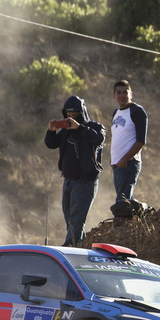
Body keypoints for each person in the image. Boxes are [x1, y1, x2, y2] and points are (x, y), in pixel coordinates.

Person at [44, 95, 105, 246]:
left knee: (77, 219)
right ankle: (79, 245)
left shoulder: (94, 127)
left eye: (75, 114)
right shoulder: (65, 131)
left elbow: (99, 139)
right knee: (70, 219)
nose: (71, 118)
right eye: (68, 115)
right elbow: (51, 144)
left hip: (85, 181)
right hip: (68, 180)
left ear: (82, 112)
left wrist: (80, 128)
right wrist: (51, 131)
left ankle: (69, 247)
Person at [110, 80, 148, 216]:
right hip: (117, 165)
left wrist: (125, 159)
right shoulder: (116, 113)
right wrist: (114, 161)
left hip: (129, 163)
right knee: (123, 201)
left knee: (122, 202)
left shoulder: (137, 111)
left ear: (130, 94)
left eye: (125, 92)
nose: (122, 96)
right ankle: (138, 216)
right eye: (118, 93)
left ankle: (143, 210)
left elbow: (140, 141)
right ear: (114, 95)